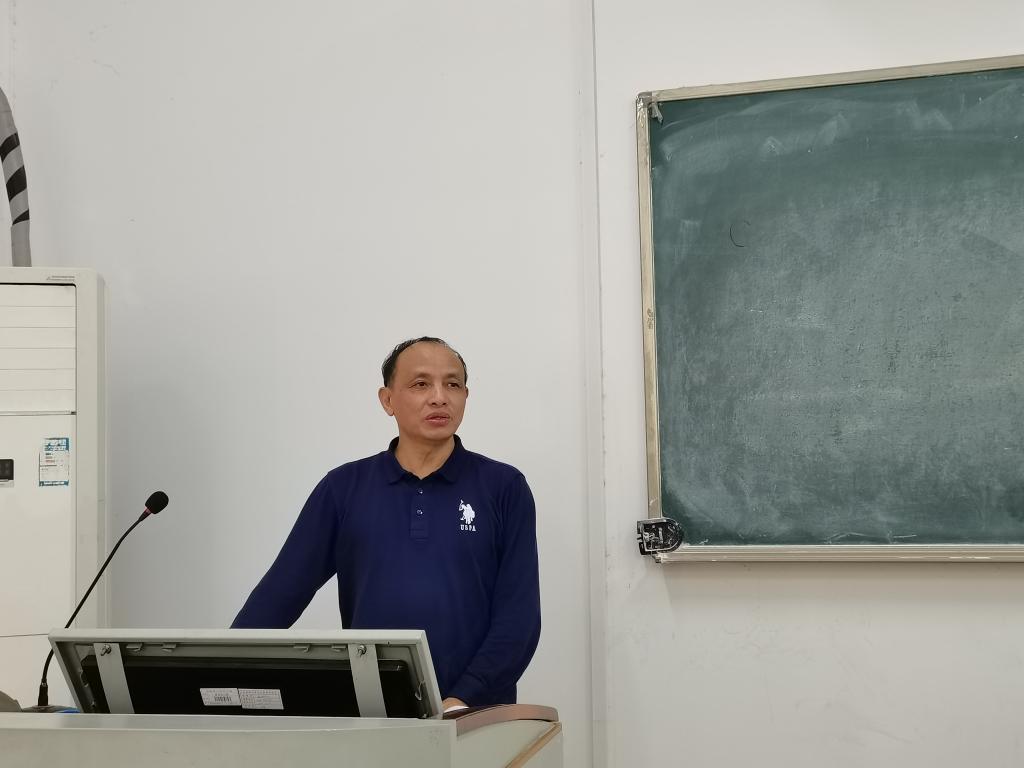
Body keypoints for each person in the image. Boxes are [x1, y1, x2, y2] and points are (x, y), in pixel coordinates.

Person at [231, 337, 541, 709]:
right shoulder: (343, 488)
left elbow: (519, 619)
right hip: (373, 713)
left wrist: (462, 699)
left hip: (476, 713)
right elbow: (279, 595)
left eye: (452, 384)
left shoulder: (504, 488)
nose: (439, 397)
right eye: (421, 384)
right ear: (387, 400)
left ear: (465, 396)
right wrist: (218, 672)